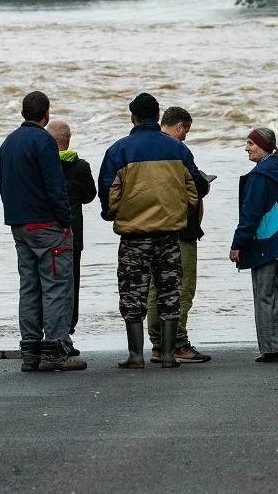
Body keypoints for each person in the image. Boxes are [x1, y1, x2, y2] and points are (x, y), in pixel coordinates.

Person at [98, 93, 198, 369]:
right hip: (169, 235)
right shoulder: (179, 150)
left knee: (132, 294)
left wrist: (113, 214)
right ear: (157, 117)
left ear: (133, 117)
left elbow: (108, 194)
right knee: (169, 292)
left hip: (133, 236)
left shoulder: (119, 150)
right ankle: (167, 354)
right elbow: (194, 190)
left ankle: (136, 355)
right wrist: (181, 213)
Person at [0, 91, 87, 372]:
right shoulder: (45, 141)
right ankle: (55, 352)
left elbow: (3, 181)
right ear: (45, 114)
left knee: (29, 288)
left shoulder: (8, 142)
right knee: (57, 287)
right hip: (47, 225)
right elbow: (55, 185)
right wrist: (65, 221)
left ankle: (30, 352)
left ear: (24, 112)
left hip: (19, 225)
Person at [230, 128, 278, 363]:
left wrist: (237, 244)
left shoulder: (260, 176)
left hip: (265, 244)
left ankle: (273, 348)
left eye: (251, 144)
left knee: (265, 295)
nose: (247, 148)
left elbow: (250, 215)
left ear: (263, 146)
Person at [147, 106, 214, 364]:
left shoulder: (141, 147)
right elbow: (193, 186)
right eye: (186, 130)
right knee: (182, 287)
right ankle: (178, 342)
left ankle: (157, 344)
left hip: (152, 227)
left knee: (155, 288)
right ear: (179, 126)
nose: (185, 135)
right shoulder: (178, 150)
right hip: (181, 228)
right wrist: (204, 183)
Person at [46, 119, 97, 340]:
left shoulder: (42, 165)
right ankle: (68, 330)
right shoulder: (81, 167)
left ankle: (46, 332)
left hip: (45, 233)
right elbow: (90, 196)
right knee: (71, 283)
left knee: (46, 284)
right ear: (69, 140)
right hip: (73, 234)